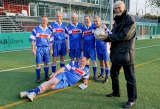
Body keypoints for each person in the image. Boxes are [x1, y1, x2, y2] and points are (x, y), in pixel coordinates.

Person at [102, 1, 137, 108]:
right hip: (117, 53)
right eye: (115, 8)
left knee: (130, 78)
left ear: (123, 7)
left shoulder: (129, 19)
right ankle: (116, 92)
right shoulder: (116, 20)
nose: (117, 10)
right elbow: (113, 34)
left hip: (127, 54)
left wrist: (109, 37)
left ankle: (132, 99)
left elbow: (124, 35)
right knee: (113, 73)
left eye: (118, 7)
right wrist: (104, 37)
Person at [20, 57, 89, 102]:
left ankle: (29, 92)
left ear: (86, 62)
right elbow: (63, 69)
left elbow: (85, 79)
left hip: (67, 83)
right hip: (63, 75)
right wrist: (54, 74)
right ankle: (32, 93)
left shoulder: (86, 70)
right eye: (80, 60)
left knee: (51, 86)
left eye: (83, 61)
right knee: (51, 82)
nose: (81, 62)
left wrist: (85, 83)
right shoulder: (74, 63)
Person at [30, 16, 53, 83]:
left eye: (45, 20)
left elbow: (51, 41)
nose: (44, 21)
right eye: (43, 20)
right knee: (38, 63)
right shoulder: (36, 29)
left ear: (47, 21)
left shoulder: (49, 30)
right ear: (41, 21)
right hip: (39, 48)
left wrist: (51, 49)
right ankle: (38, 77)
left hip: (47, 49)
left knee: (46, 63)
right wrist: (33, 49)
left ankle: (46, 76)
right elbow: (32, 39)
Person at [93, 16, 111, 83]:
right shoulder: (94, 28)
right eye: (94, 21)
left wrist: (106, 28)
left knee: (106, 62)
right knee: (101, 62)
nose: (95, 22)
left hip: (104, 48)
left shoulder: (104, 27)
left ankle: (107, 77)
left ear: (100, 22)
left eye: (97, 21)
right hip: (98, 48)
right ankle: (102, 74)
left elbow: (110, 34)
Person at [82, 15, 97, 80]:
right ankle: (87, 74)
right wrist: (82, 47)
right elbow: (82, 38)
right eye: (85, 19)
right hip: (85, 47)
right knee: (86, 61)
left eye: (87, 19)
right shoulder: (83, 28)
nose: (86, 20)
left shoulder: (94, 26)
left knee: (94, 61)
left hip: (92, 47)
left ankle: (95, 75)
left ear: (90, 19)